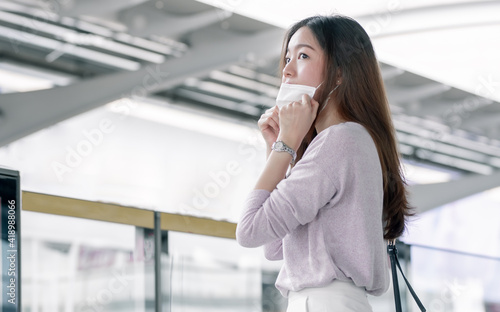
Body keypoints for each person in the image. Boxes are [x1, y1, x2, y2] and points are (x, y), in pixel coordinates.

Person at [235, 15, 413, 312]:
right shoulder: (348, 140)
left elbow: (250, 230)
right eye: (287, 57)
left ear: (339, 73)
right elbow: (274, 244)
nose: (287, 70)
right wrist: (277, 147)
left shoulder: (339, 142)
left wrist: (286, 147)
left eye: (303, 56)